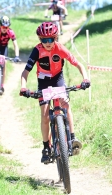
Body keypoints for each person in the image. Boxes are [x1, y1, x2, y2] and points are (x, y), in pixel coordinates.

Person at [19, 22, 90, 163]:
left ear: (55, 38)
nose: (47, 43)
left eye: (50, 39)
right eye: (44, 40)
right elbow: (26, 71)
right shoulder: (37, 51)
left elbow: (78, 64)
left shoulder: (61, 49)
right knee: (45, 115)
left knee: (66, 106)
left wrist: (85, 78)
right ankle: (46, 147)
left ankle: (72, 137)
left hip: (58, 79)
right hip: (44, 81)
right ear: (40, 40)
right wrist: (23, 87)